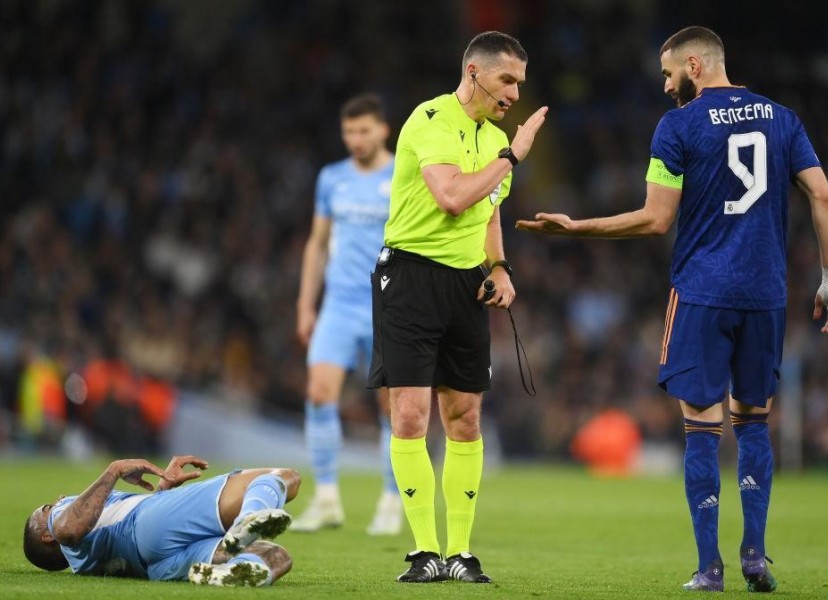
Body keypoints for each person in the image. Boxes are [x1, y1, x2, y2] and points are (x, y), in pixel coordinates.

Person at [516, 26, 828, 593]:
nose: (667, 86)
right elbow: (824, 196)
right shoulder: (782, 118)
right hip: (765, 295)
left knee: (700, 429)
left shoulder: (678, 125)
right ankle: (757, 558)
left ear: (695, 64)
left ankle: (709, 569)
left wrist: (577, 228)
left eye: (669, 73)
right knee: (755, 424)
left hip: (701, 293)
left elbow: (655, 218)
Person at [367, 30, 548, 583]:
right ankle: (425, 552)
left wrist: (498, 267)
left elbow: (488, 210)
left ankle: (462, 554)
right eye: (506, 79)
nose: (515, 92)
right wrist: (513, 154)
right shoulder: (432, 121)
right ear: (474, 72)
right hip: (410, 278)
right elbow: (452, 197)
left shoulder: (493, 140)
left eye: (519, 81)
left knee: (465, 418)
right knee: (410, 415)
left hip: (466, 285)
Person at [289, 93, 402, 535]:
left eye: (364, 130)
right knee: (319, 393)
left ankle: (393, 500)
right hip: (338, 304)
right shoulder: (331, 178)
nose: (356, 139)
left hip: (388, 304)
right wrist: (305, 304)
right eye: (349, 131)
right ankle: (327, 499)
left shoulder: (404, 175)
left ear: (383, 130)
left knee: (391, 407)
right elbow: (317, 244)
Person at [23, 455, 300, 587]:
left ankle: (235, 571)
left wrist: (163, 491)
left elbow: (135, 536)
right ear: (48, 536)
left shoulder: (82, 564)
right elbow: (68, 529)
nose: (57, 499)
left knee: (274, 556)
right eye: (47, 507)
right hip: (143, 525)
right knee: (284, 477)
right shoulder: (63, 523)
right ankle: (249, 518)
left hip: (157, 564)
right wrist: (115, 470)